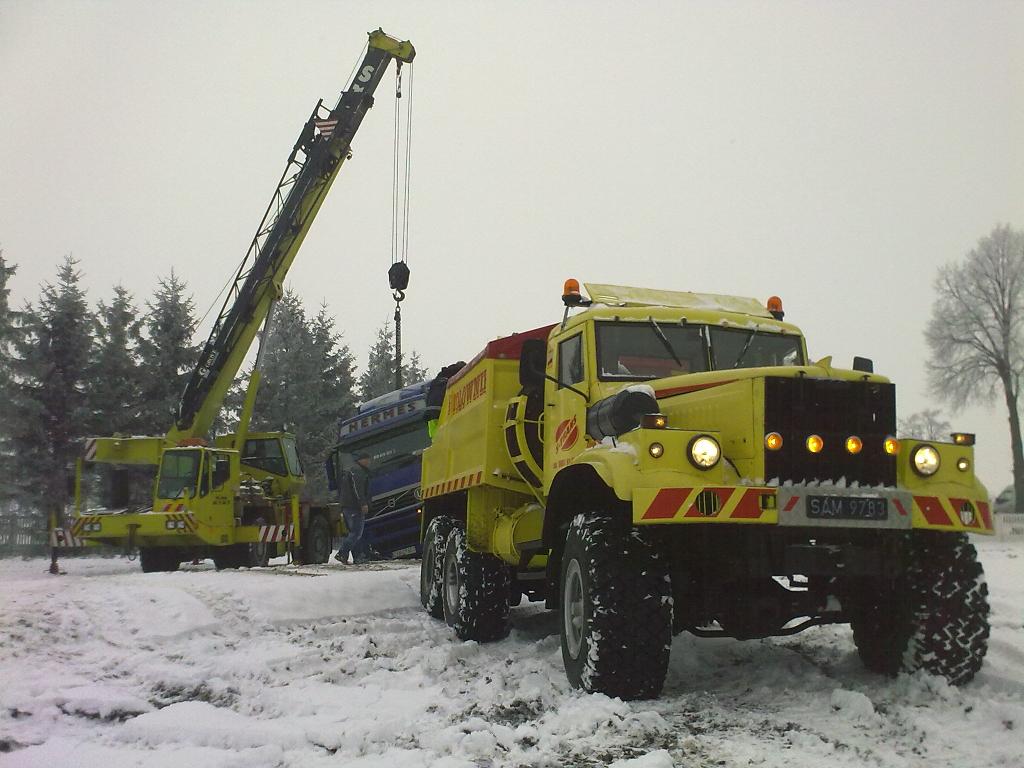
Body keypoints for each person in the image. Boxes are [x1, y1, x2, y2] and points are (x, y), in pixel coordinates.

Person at [335, 451, 371, 564]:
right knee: (356, 532)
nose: (369, 462)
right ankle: (342, 553)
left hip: (347, 506)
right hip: (353, 507)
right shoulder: (357, 471)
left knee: (354, 533)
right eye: (368, 459)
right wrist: (363, 503)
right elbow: (358, 489)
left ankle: (357, 557)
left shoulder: (354, 470)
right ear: (362, 460)